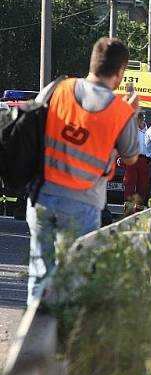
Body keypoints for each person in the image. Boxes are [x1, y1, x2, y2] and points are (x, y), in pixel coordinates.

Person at [27, 37, 140, 305]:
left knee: (39, 277)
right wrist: (131, 114)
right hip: (83, 203)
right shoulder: (118, 110)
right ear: (120, 71)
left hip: (42, 196)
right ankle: (63, 338)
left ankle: (33, 335)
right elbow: (132, 156)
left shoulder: (58, 89)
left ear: (92, 62)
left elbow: (32, 123)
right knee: (72, 281)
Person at [122, 110, 150, 214]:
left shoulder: (149, 131)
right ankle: (128, 212)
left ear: (141, 120)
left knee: (142, 187)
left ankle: (138, 213)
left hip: (144, 160)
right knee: (129, 186)